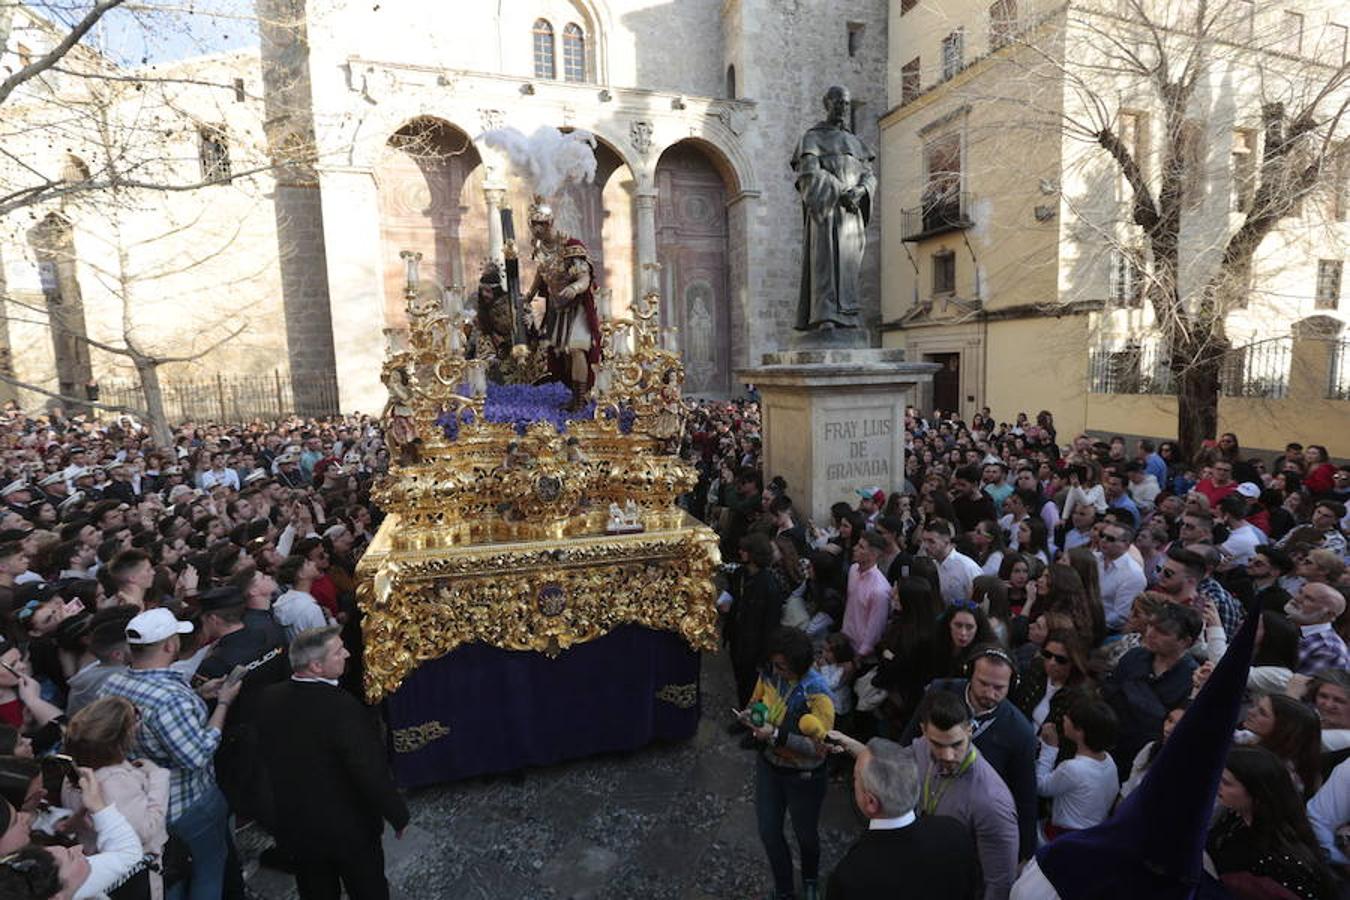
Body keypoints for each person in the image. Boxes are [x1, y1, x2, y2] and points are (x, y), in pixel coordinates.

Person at [97, 606, 243, 900]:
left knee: (170, 875)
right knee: (207, 870)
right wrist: (224, 703)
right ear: (168, 645)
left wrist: (199, 695)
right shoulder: (170, 699)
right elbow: (196, 755)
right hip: (188, 803)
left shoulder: (111, 684)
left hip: (143, 802)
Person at [256, 626, 409, 900]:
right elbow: (368, 771)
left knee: (315, 890)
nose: (347, 653)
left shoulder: (269, 698)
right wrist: (397, 814)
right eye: (338, 651)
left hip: (297, 824)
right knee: (368, 888)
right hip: (349, 828)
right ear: (316, 666)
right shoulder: (343, 708)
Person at [905, 645, 1039, 861]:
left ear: (1012, 685)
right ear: (969, 673)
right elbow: (908, 741)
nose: (989, 693)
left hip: (965, 834)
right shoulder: (939, 691)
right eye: (983, 683)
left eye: (999, 687)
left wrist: (1024, 855)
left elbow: (1026, 798)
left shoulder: (1020, 733)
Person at [889, 689, 1019, 900]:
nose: (947, 755)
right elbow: (891, 765)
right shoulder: (921, 748)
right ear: (923, 731)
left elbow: (999, 884)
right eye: (938, 745)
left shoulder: (992, 801)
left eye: (956, 744)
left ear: (969, 730)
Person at [739, 627, 834, 900]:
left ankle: (810, 880)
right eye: (775, 664)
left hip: (804, 776)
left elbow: (821, 748)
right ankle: (783, 889)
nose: (777, 670)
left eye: (782, 666)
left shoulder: (818, 694)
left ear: (799, 665)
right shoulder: (769, 674)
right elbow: (758, 701)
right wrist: (752, 715)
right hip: (769, 765)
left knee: (805, 834)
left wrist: (777, 735)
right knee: (769, 831)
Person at [824, 735, 978, 899]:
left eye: (855, 778)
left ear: (871, 802)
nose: (853, 783)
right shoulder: (954, 833)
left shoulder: (850, 876)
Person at [62, 695, 170, 900]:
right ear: (123, 737)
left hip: (94, 863)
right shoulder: (116, 781)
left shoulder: (75, 772)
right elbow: (145, 831)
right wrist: (158, 777)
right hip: (133, 873)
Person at [790, 84, 876, 332]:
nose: (843, 107)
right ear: (826, 103)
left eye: (847, 103)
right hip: (826, 211)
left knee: (849, 268)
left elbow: (869, 174)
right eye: (838, 102)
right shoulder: (811, 138)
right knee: (825, 264)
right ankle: (824, 315)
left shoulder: (856, 143)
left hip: (852, 214)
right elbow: (808, 174)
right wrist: (840, 191)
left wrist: (861, 191)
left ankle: (848, 316)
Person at [1208, 746, 1335, 899]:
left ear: (1257, 793)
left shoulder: (1280, 860)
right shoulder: (1234, 817)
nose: (1216, 785)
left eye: (1226, 783)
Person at [0, 767, 144, 900]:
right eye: (14, 822)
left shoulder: (25, 868)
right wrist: (98, 805)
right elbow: (128, 854)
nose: (25, 816)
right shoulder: (39, 881)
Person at [1101, 603, 1201, 780]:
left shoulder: (1193, 680)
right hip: (1108, 746)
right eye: (1150, 626)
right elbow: (1108, 694)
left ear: (1185, 641)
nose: (1150, 634)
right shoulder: (1134, 657)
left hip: (1144, 763)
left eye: (1162, 632)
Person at [1035, 697, 1120, 839]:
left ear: (1080, 731)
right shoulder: (1108, 760)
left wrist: (1049, 748)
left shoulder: (1073, 769)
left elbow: (1041, 786)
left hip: (1065, 835)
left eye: (1069, 717)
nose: (1064, 718)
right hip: (1094, 833)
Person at [841, 531, 890, 657]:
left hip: (859, 650)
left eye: (861, 547)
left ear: (873, 555)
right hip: (845, 639)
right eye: (858, 544)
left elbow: (875, 628)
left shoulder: (880, 590)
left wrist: (861, 654)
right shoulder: (853, 570)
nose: (855, 548)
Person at [1286, 582, 1350, 676]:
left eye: (1309, 599)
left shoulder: (1328, 650)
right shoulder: (1281, 622)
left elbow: (1295, 687)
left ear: (1329, 615)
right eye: (1300, 592)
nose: (1297, 598)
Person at [1095, 521, 1146, 632]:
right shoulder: (1094, 558)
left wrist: (1090, 622)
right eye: (1102, 536)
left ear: (1126, 545)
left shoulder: (1133, 574)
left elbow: (1120, 616)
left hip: (1104, 629)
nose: (1103, 540)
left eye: (1111, 539)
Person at [920, 518, 983, 605]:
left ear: (946, 542)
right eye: (924, 541)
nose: (925, 546)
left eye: (931, 542)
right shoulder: (932, 565)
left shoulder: (967, 567)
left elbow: (979, 602)